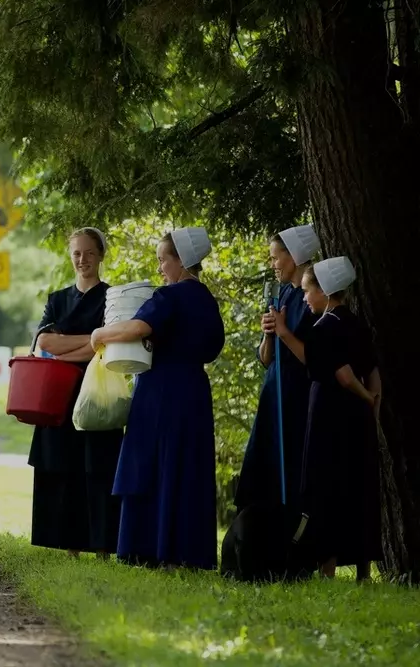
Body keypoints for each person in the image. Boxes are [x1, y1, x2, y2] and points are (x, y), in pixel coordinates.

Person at [90, 227, 225, 570]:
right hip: (194, 389)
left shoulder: (171, 296)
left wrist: (100, 334)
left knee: (152, 464)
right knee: (187, 468)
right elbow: (213, 348)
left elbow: (137, 328)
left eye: (164, 260)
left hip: (161, 389)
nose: (161, 267)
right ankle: (186, 552)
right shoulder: (207, 300)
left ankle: (148, 548)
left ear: (182, 261)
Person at [30, 227, 123, 559]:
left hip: (98, 391)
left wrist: (71, 348)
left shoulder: (113, 298)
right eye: (77, 253)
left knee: (97, 467)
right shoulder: (57, 299)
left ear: (100, 256)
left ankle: (102, 547)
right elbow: (45, 342)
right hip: (59, 393)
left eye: (89, 253)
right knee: (64, 465)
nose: (83, 260)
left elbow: (108, 346)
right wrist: (90, 340)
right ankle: (69, 547)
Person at [299, 256, 382, 582]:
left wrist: (365, 396)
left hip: (329, 415)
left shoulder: (322, 329)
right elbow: (372, 371)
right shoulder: (358, 324)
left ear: (326, 291)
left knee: (326, 486)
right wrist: (373, 405)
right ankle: (363, 569)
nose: (305, 298)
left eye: (308, 291)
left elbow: (345, 376)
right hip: (357, 419)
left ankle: (327, 566)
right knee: (358, 485)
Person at [234, 225, 321, 513]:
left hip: (297, 395)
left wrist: (283, 332)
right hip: (274, 391)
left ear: (294, 256)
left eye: (276, 257)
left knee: (293, 466)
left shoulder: (313, 300)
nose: (272, 265)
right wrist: (269, 334)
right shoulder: (282, 294)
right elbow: (266, 358)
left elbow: (314, 357)